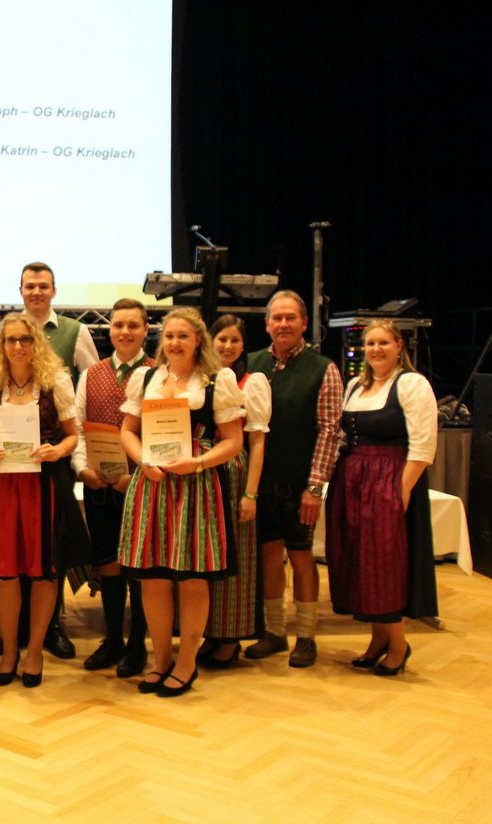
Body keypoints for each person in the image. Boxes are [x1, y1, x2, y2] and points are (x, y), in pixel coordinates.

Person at [119, 307, 244, 697]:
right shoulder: (146, 378)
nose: (174, 343)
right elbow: (127, 431)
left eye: (183, 336)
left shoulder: (217, 380)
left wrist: (198, 463)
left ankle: (187, 662)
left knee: (192, 579)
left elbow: (234, 442)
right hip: (152, 483)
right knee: (153, 578)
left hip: (196, 486)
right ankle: (160, 661)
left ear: (197, 341)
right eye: (169, 336)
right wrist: (143, 461)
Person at [0, 262, 98, 660]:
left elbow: (75, 429)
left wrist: (59, 451)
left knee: (47, 564)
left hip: (46, 479)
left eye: (25, 340)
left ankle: (43, 638)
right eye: (11, 340)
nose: (18, 346)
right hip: (7, 482)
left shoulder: (61, 371)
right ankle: (13, 641)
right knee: (10, 566)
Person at [325, 319, 438, 677]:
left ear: (399, 346)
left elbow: (422, 446)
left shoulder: (412, 384)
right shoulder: (356, 386)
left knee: (385, 563)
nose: (375, 350)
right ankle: (378, 640)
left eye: (383, 343)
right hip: (355, 479)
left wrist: (399, 492)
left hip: (390, 477)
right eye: (370, 344)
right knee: (362, 562)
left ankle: (399, 645)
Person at [245, 291, 342, 668]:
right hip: (262, 485)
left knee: (301, 557)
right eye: (277, 318)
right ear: (266, 324)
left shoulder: (323, 368)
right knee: (269, 556)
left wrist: (315, 487)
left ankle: (306, 635)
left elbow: (329, 432)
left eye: (290, 318)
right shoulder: (251, 363)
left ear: (304, 322)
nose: (283, 324)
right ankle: (274, 632)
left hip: (302, 486)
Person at [71, 299, 152, 677]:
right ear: (110, 329)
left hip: (145, 486)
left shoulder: (160, 374)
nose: (125, 332)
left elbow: (167, 435)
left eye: (133, 325)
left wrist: (137, 477)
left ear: (146, 329)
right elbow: (78, 427)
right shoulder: (91, 374)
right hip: (99, 485)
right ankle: (113, 639)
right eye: (119, 325)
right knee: (109, 563)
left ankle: (137, 644)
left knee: (141, 565)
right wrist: (82, 469)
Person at [199, 314, 271, 667]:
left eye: (235, 340)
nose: (227, 346)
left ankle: (230, 637)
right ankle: (211, 632)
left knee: (235, 555)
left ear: (244, 346)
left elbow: (257, 441)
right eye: (221, 339)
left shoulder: (251, 382)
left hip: (233, 471)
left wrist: (251, 493)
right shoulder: (202, 379)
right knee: (205, 556)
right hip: (202, 470)